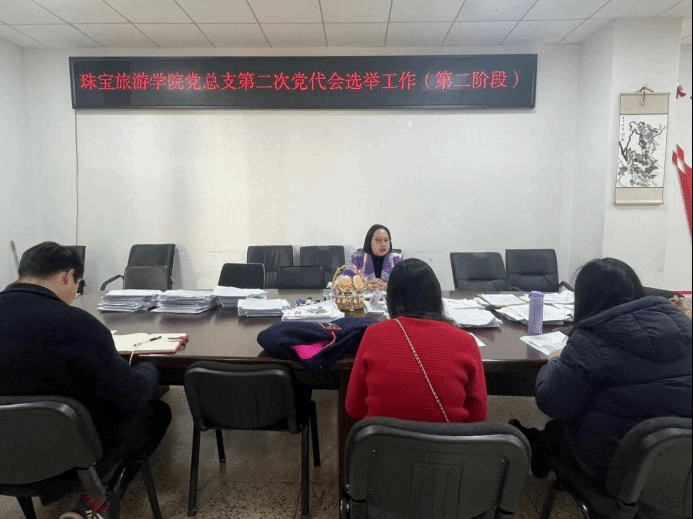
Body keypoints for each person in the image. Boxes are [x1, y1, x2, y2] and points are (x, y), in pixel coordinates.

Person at [0, 242, 171, 518]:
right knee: (156, 414)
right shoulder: (76, 324)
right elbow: (131, 394)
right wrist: (150, 370)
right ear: (68, 277)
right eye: (77, 284)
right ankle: (95, 501)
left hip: (6, 458)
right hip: (67, 460)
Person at [512, 258, 692, 483]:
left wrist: (554, 363)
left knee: (558, 428)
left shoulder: (590, 341)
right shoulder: (685, 327)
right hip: (682, 461)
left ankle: (530, 445)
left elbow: (552, 403)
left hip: (617, 462)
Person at [346, 258, 488, 423]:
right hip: (447, 439)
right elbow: (478, 417)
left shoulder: (373, 334)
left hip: (382, 439)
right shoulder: (466, 342)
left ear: (392, 297)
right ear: (436, 296)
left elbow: (354, 408)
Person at [345, 224, 403, 291]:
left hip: (390, 297)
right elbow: (343, 281)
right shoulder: (357, 258)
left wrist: (389, 286)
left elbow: (407, 283)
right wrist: (364, 285)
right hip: (362, 297)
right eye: (378, 240)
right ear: (369, 241)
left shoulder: (397, 259)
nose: (383, 244)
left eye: (386, 240)